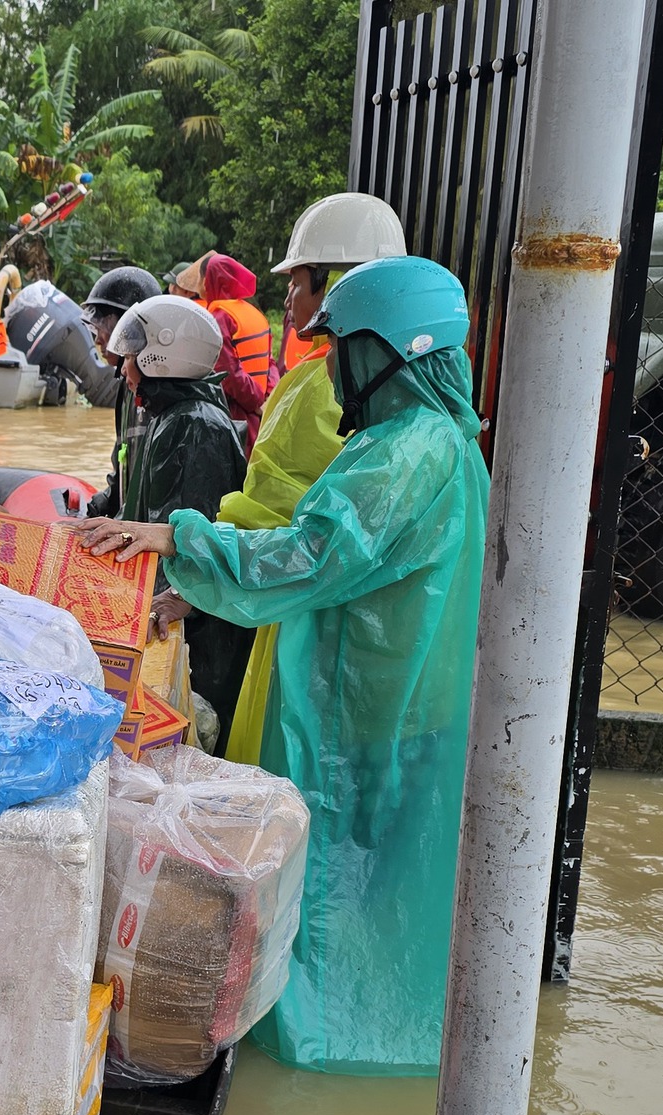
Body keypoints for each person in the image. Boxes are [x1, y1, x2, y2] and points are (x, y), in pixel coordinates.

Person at [75, 256, 488, 1076]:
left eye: (342, 350)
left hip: (364, 704)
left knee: (335, 880)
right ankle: (370, 1033)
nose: (330, 370)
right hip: (399, 698)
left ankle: (328, 1044)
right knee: (376, 886)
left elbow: (309, 554)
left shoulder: (404, 452)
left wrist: (178, 538)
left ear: (387, 352)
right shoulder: (441, 442)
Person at [219, 192, 408, 764]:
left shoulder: (325, 385)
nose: (287, 298)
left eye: (298, 281)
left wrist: (195, 559)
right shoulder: (402, 389)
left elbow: (277, 515)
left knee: (294, 770)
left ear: (336, 286)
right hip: (362, 626)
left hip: (308, 613)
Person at [103, 295, 252, 742]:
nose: (123, 371)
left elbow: (187, 542)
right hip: (180, 616)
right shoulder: (173, 417)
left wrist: (169, 601)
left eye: (131, 358)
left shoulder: (194, 425)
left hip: (197, 632)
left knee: (197, 733)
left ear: (161, 357)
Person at [79, 265, 161, 512]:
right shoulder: (127, 386)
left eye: (104, 327)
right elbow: (124, 469)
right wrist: (99, 507)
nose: (98, 339)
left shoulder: (158, 392)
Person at [197, 252, 274, 447]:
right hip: (263, 416)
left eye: (201, 277)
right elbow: (270, 363)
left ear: (209, 280)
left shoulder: (219, 317)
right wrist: (267, 400)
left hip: (236, 415)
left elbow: (228, 372)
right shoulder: (256, 314)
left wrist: (254, 402)